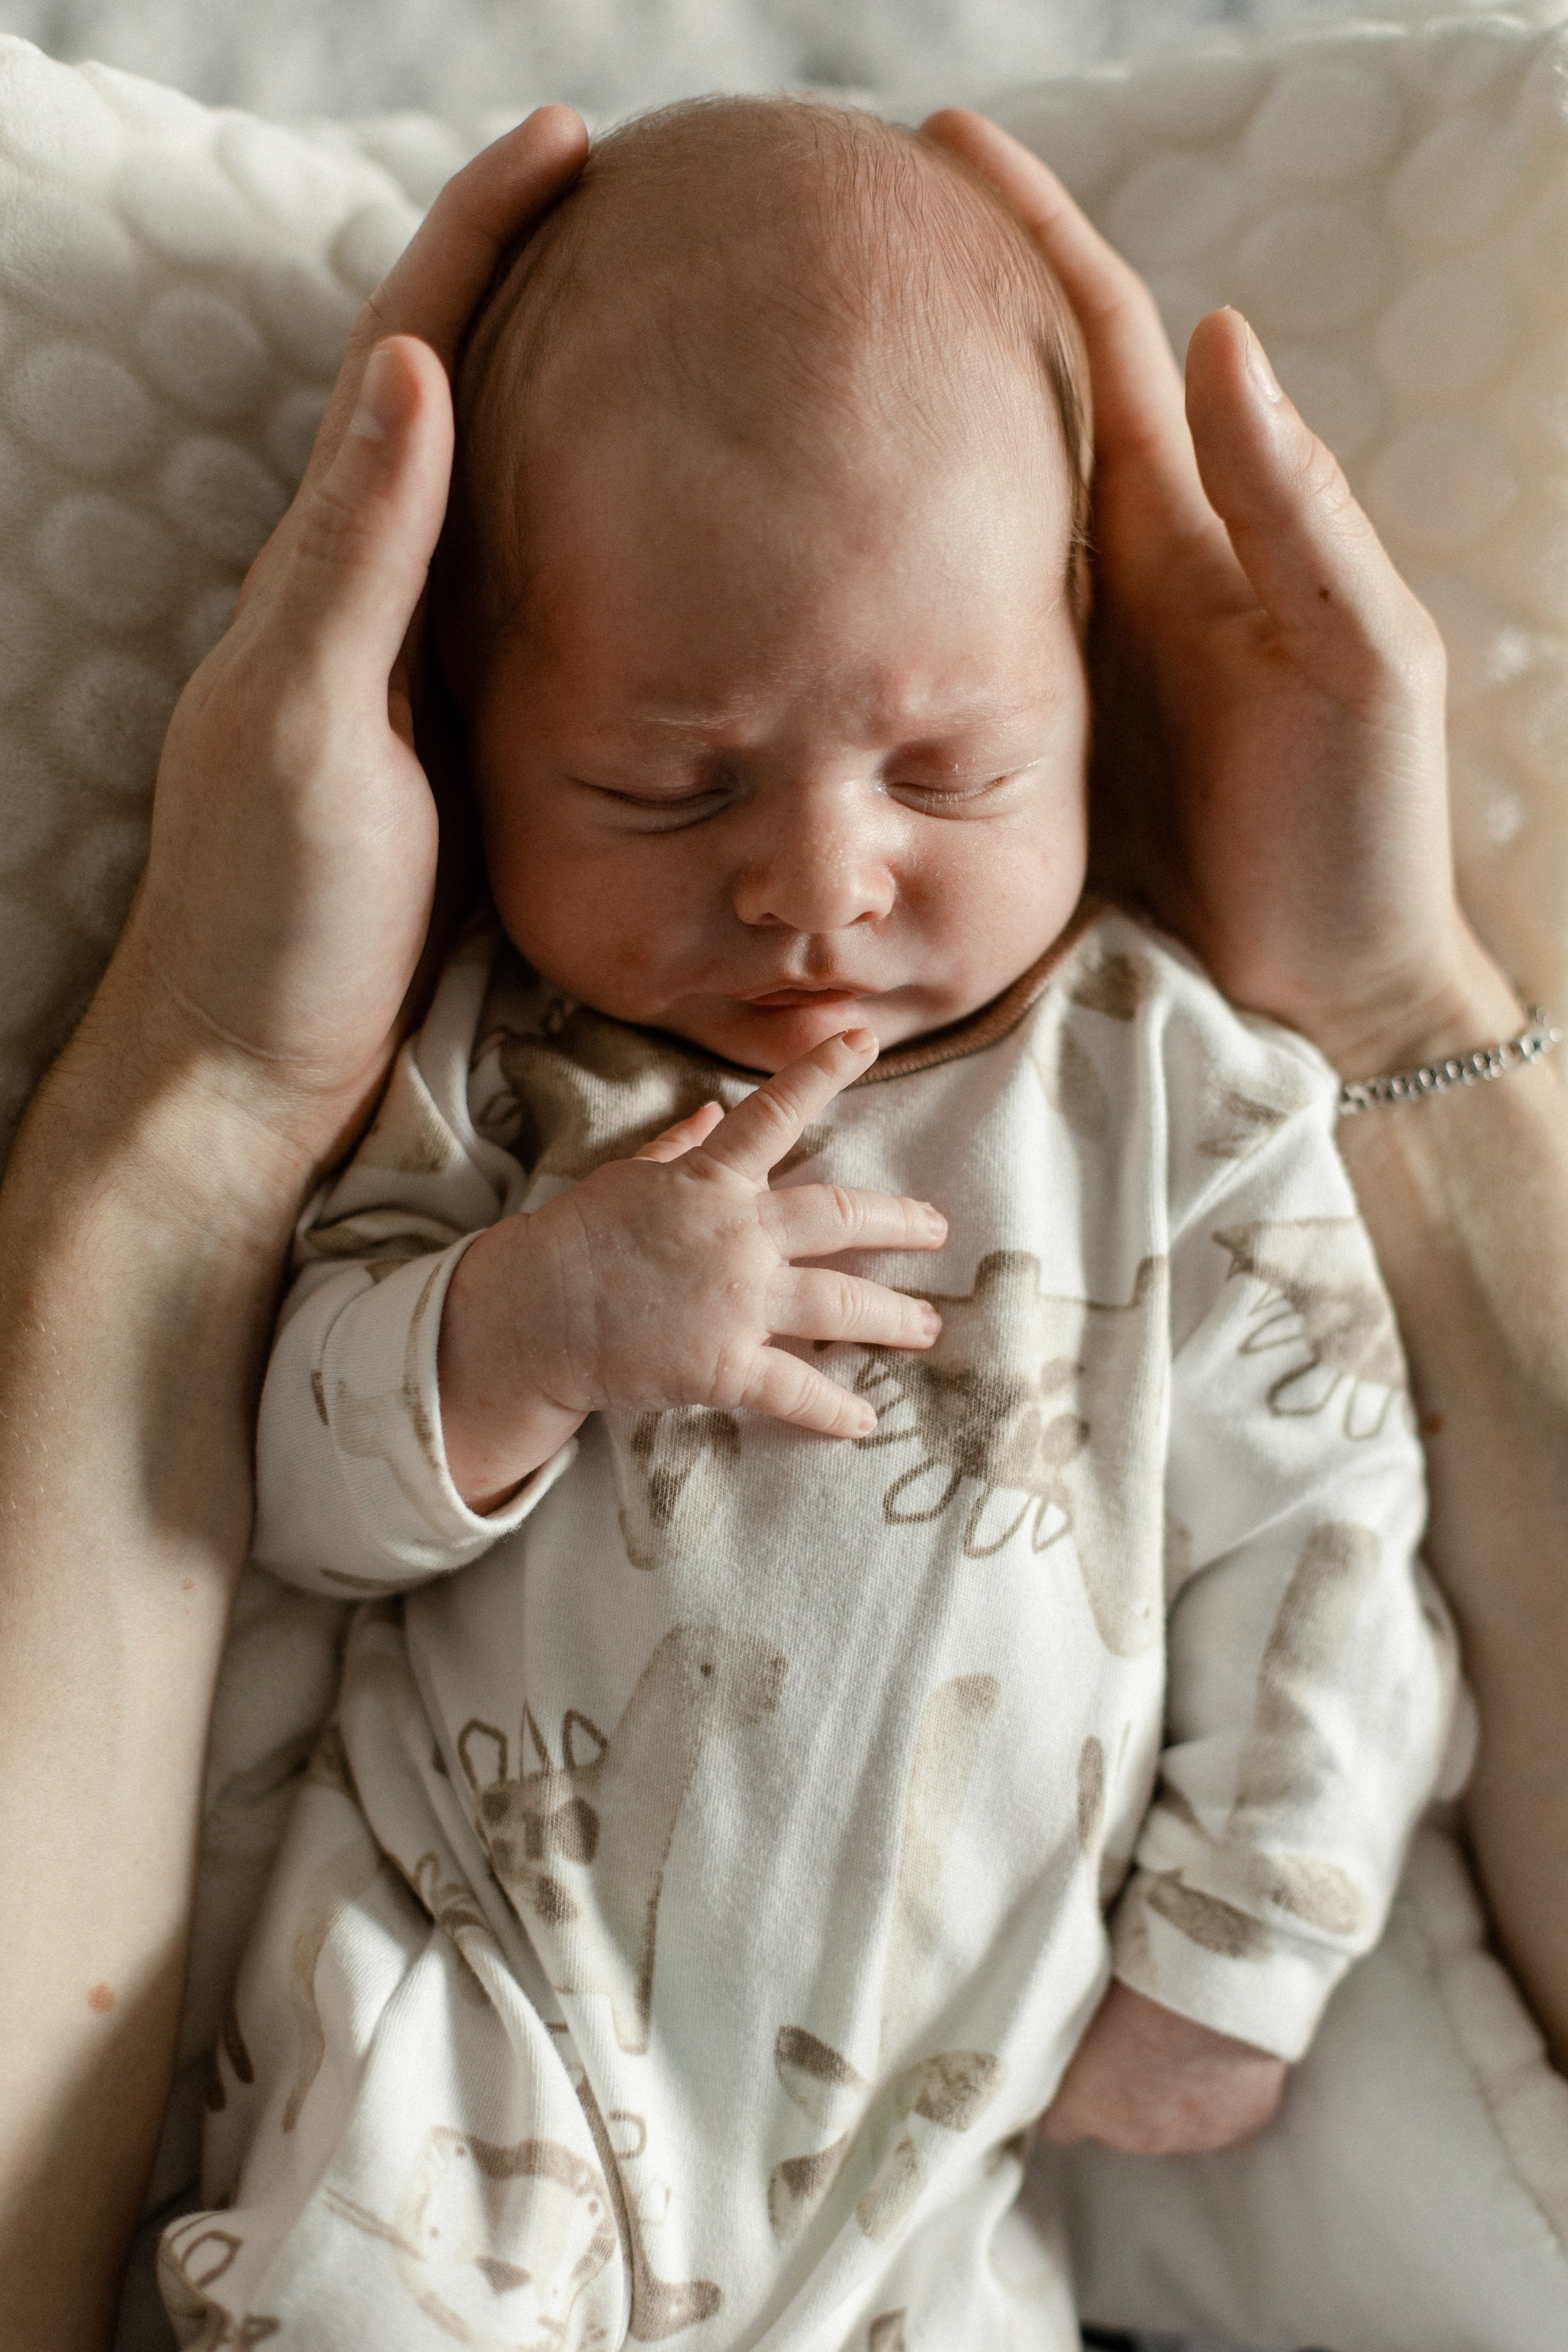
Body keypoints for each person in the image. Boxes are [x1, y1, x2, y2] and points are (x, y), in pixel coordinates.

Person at [0, 88, 1556, 2352]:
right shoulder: (503, 1073)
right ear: (471, 725)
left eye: (951, 773)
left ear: (1088, 694)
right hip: (473, 2055)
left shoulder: (1177, 1100)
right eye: (669, 783)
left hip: (929, 2187)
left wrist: (1244, 1944)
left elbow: (1328, 1531)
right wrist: (517, 1329)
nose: (819, 884)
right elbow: (274, 1501)